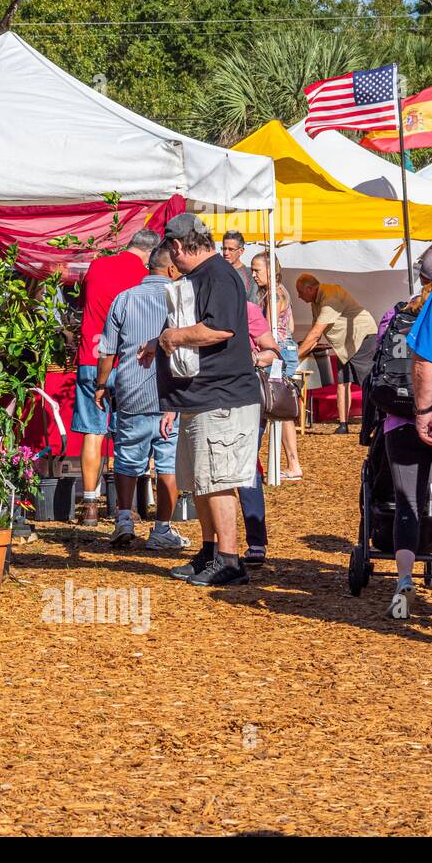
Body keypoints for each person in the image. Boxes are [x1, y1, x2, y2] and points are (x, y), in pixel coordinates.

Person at [142, 213, 261, 587]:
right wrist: (157, 342)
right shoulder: (203, 276)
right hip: (202, 398)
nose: (173, 264)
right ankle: (210, 551)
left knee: (219, 479)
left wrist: (172, 338)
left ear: (178, 246)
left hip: (222, 398)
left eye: (172, 254)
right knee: (202, 479)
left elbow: (220, 328)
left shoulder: (219, 275)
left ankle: (229, 558)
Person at [94, 244, 188, 551]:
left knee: (127, 459)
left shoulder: (124, 298)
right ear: (172, 269)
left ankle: (123, 520)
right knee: (167, 464)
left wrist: (101, 383)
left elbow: (107, 350)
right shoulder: (180, 299)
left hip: (131, 390)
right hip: (170, 394)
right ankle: (162, 528)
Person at [374, 246, 432, 618]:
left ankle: (403, 580)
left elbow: (379, 361)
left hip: (400, 421)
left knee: (408, 504)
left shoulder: (396, 313)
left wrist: (420, 410)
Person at [72, 229, 158, 526]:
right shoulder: (144, 278)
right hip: (128, 363)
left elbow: (84, 300)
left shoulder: (98, 265)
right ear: (150, 254)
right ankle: (127, 506)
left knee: (92, 433)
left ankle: (91, 504)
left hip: (90, 357)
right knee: (130, 433)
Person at [235, 299, 285, 568]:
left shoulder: (248, 309)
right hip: (209, 397)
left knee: (246, 466)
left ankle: (256, 541)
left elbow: (273, 352)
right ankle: (219, 543)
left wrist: (252, 358)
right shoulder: (196, 308)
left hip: (248, 396)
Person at [295, 273, 378, 435]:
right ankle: (343, 424)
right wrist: (310, 346)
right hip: (344, 346)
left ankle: (374, 421)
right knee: (342, 382)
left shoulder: (330, 297)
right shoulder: (315, 302)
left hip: (362, 338)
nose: (298, 296)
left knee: (368, 383)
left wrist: (295, 356)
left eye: (300, 292)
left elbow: (316, 333)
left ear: (310, 289)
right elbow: (314, 333)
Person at [250, 251, 303, 479]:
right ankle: (290, 464)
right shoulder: (281, 293)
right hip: (286, 348)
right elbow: (290, 326)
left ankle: (293, 464)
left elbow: (269, 329)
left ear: (270, 271)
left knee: (280, 407)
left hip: (277, 353)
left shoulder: (273, 296)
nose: (253, 275)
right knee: (279, 407)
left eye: (257, 270)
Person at [221, 230, 257, 302]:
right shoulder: (217, 271)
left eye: (231, 249)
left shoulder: (249, 275)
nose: (226, 253)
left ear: (241, 251)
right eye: (224, 248)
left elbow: (253, 304)